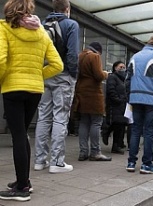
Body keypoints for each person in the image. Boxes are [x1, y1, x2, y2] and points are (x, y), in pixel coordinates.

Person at [0, 0, 63, 201]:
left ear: (10, 10)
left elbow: (1, 61)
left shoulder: (3, 28)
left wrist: (5, 79)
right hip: (35, 90)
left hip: (13, 88)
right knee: (23, 134)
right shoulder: (42, 33)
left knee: (18, 135)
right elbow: (57, 64)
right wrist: (37, 75)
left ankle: (22, 189)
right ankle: (23, 182)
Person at [34, 0, 79, 173]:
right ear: (67, 9)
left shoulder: (43, 24)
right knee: (60, 116)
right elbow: (73, 54)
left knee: (43, 116)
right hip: (63, 75)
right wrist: (72, 75)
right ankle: (57, 162)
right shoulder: (71, 25)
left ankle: (40, 160)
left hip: (45, 75)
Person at [125, 34, 153, 174]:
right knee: (149, 131)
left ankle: (131, 163)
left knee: (135, 130)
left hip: (135, 97)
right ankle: (146, 165)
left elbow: (127, 79)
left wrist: (130, 97)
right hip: (151, 99)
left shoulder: (135, 56)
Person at [73, 42, 111, 161]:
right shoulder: (94, 56)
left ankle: (83, 152)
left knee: (84, 122)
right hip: (93, 94)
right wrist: (105, 73)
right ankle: (95, 152)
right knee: (96, 122)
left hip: (80, 92)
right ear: (98, 51)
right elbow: (98, 76)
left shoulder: (79, 56)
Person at [106, 61, 128, 155]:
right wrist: (118, 100)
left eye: (124, 67)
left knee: (120, 126)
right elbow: (111, 90)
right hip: (115, 105)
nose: (122, 69)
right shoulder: (112, 77)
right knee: (117, 125)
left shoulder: (123, 79)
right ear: (115, 68)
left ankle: (117, 144)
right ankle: (114, 145)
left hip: (122, 106)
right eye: (120, 67)